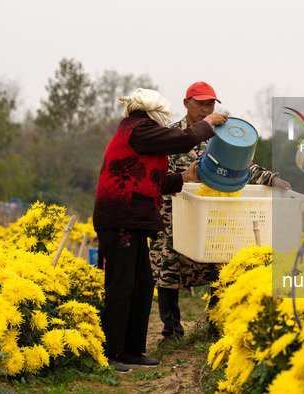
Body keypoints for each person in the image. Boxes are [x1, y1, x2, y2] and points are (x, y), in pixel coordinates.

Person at [93, 88, 227, 372]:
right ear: (152, 112)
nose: (162, 121)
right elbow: (183, 138)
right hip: (119, 217)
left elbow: (152, 180)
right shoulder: (138, 128)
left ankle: (131, 351)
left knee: (142, 283)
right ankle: (111, 353)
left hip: (133, 218)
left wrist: (184, 177)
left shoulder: (139, 133)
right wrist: (210, 122)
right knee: (122, 285)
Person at [149, 81, 291, 340]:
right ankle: (172, 332)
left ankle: (215, 324)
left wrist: (271, 179)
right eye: (200, 103)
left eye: (210, 104)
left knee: (220, 265)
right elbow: (157, 175)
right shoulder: (170, 135)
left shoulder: (222, 134)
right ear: (186, 103)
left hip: (214, 216)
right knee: (166, 269)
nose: (205, 110)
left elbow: (244, 166)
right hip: (173, 214)